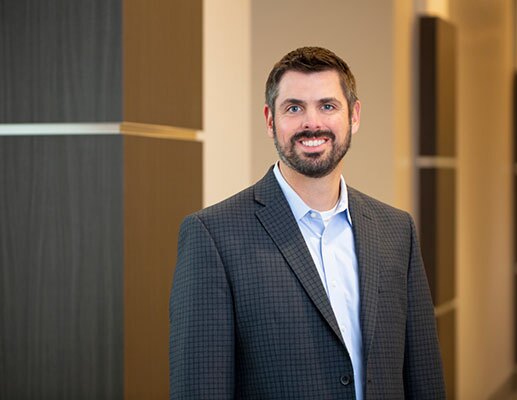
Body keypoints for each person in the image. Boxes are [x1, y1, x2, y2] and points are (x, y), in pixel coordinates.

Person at [169, 46, 445, 399]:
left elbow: (424, 375)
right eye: (294, 108)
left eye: (327, 106)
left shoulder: (396, 230)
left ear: (354, 116)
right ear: (270, 120)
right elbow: (200, 388)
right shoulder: (212, 236)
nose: (311, 123)